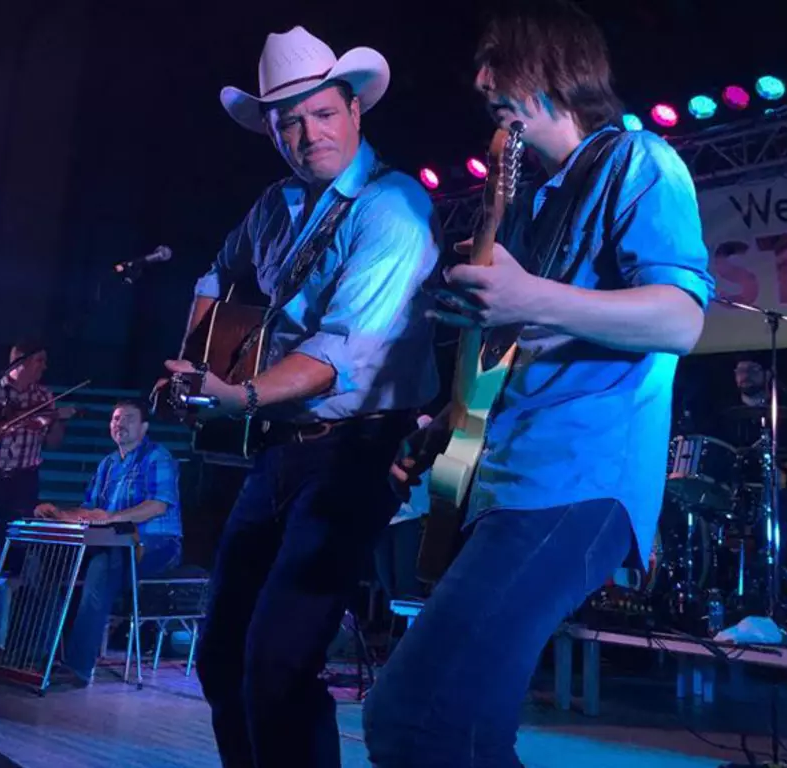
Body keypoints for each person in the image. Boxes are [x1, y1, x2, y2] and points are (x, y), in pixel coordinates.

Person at [363, 2, 713, 765]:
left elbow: (682, 320)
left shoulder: (642, 163)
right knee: (470, 732)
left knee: (407, 718)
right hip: (506, 481)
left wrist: (531, 299)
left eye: (500, 62)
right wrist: (446, 422)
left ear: (556, 65)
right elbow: (523, 343)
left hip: (581, 481)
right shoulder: (532, 201)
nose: (482, 81)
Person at [162, 25, 439, 768]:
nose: (304, 132)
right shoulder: (275, 204)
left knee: (278, 664)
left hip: (358, 451)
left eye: (320, 113)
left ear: (355, 111)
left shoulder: (395, 208)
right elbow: (217, 277)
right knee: (221, 656)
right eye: (287, 121)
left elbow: (341, 353)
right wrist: (198, 362)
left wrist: (238, 392)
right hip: (280, 447)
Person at [34, 400, 182, 684]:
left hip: (157, 544)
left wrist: (112, 517)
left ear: (144, 427)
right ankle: (40, 654)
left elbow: (158, 506)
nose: (119, 424)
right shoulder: (108, 463)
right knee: (46, 561)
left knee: (102, 568)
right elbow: (89, 509)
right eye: (115, 419)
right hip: (109, 541)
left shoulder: (157, 457)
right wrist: (60, 514)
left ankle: (78, 667)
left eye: (127, 418)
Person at [0, 341, 75, 578]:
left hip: (23, 479)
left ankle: (6, 601)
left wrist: (58, 419)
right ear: (21, 362)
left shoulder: (43, 396)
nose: (44, 367)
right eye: (40, 361)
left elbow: (54, 443)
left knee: (16, 545)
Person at [374, 414, 433, 603]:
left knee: (407, 582)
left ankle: (406, 629)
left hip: (411, 514)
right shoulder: (378, 427)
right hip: (381, 515)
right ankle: (395, 626)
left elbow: (419, 462)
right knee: (386, 580)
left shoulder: (424, 425)